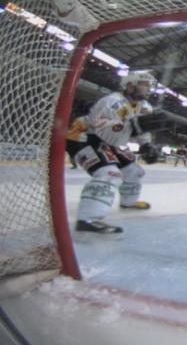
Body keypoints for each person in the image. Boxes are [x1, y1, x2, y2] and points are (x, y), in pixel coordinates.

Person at [68, 71, 164, 235]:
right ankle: (88, 219)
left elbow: (140, 130)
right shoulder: (112, 102)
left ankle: (129, 202)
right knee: (109, 174)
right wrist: (135, 126)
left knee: (135, 171)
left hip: (111, 141)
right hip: (84, 138)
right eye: (145, 84)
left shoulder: (145, 107)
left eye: (150, 86)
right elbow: (104, 131)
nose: (149, 89)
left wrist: (146, 145)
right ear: (130, 85)